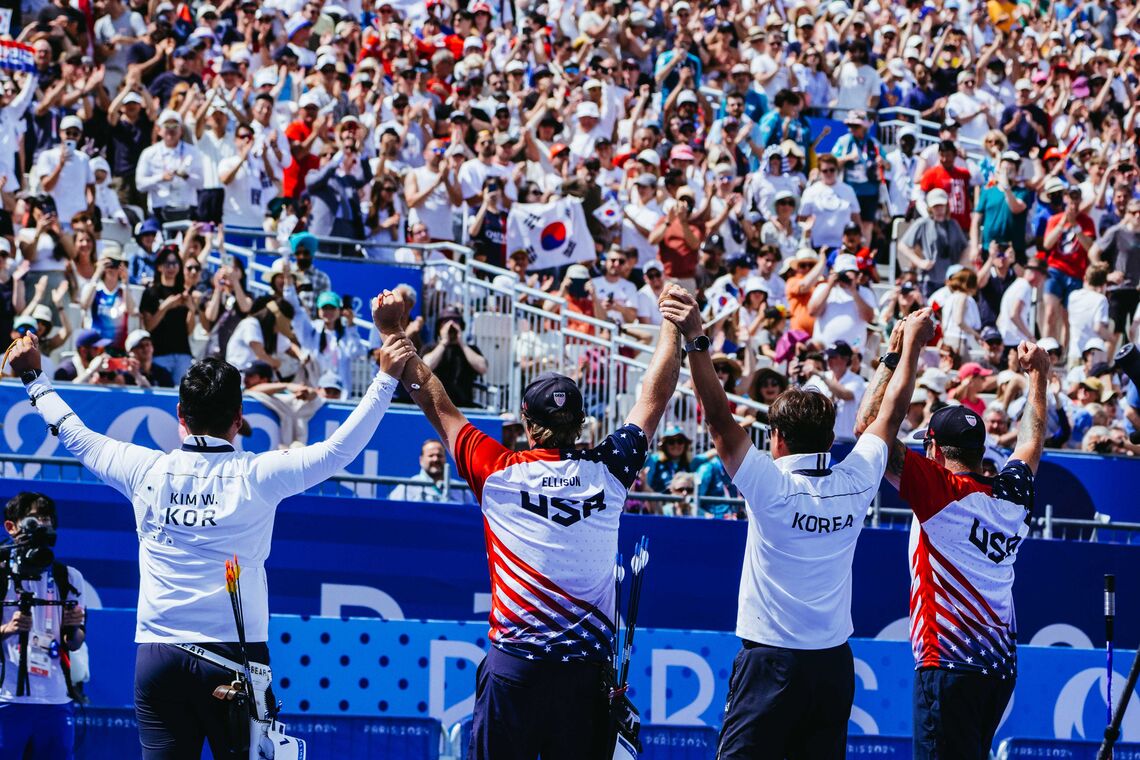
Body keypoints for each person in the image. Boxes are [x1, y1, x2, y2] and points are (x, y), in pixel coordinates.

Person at [4, 293, 416, 760]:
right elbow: (339, 450)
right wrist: (385, 374)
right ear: (239, 421)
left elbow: (74, 433)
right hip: (235, 661)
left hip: (159, 657)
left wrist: (33, 377)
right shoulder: (258, 474)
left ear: (180, 417)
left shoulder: (146, 470)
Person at [377, 279, 687, 759]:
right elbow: (654, 398)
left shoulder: (497, 472)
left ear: (525, 422)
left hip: (516, 672)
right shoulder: (609, 471)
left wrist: (393, 332)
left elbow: (434, 397)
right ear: (582, 424)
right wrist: (672, 324)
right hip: (585, 678)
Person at [663, 283, 934, 758]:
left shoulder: (770, 485)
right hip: (832, 667)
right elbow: (889, 416)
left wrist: (696, 339)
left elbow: (718, 418)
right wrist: (905, 349)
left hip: (769, 662)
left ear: (777, 439)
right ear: (830, 437)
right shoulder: (856, 480)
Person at [857, 332, 1049, 759]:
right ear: (981, 453)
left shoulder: (940, 490)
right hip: (999, 670)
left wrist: (896, 354)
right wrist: (1039, 376)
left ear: (934, 450)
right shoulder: (1013, 495)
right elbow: (1031, 443)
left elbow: (867, 429)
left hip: (948, 663)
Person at [0, 493, 87, 760]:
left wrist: (72, 628)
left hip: (55, 699)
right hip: (6, 698)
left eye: (46, 519)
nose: (42, 525)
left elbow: (75, 642)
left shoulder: (69, 577)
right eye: (34, 519)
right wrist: (7, 629)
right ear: (11, 527)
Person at [899, 189, 971, 297]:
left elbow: (966, 247)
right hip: (930, 281)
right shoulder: (923, 223)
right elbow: (902, 245)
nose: (939, 209)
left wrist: (959, 265)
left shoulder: (953, 224)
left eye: (941, 205)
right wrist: (920, 262)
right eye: (936, 206)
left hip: (950, 281)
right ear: (930, 208)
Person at [388, 439, 474, 504]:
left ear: (445, 459)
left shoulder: (461, 491)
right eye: (431, 455)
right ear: (421, 460)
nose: (435, 459)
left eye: (439, 456)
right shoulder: (407, 487)